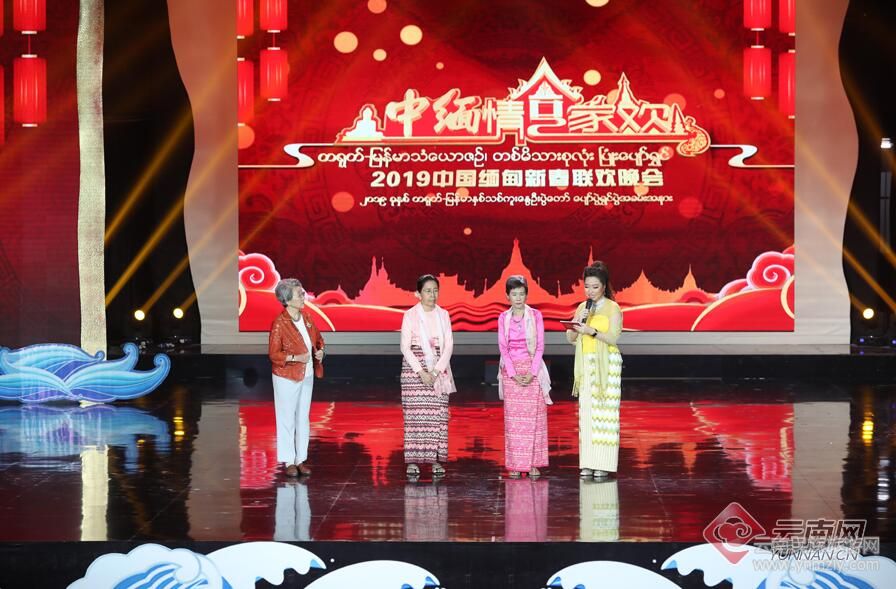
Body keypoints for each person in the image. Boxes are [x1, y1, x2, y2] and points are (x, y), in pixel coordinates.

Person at [565, 262, 623, 479]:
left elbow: (613, 338)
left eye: (595, 287)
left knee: (605, 415)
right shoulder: (583, 307)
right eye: (587, 286)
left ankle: (604, 464)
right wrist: (575, 325)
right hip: (586, 365)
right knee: (587, 415)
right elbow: (571, 338)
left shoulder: (612, 308)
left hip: (607, 364)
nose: (590, 291)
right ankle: (588, 463)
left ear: (604, 286)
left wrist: (592, 331)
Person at [399, 274, 456, 478]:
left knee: (437, 416)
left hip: (438, 369)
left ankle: (435, 460)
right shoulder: (410, 315)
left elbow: (448, 345)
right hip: (414, 370)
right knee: (415, 417)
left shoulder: (443, 314)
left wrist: (435, 371)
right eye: (427, 291)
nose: (432, 295)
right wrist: (421, 372)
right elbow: (405, 347)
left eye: (435, 291)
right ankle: (413, 460)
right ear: (418, 293)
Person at [268, 278, 325, 477]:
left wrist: (320, 352)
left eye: (303, 293)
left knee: (303, 418)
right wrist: (295, 358)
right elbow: (274, 354)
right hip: (287, 376)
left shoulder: (307, 317)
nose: (303, 297)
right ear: (287, 300)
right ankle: (288, 461)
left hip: (306, 374)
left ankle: (300, 459)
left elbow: (319, 340)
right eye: (299, 294)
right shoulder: (279, 324)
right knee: (286, 419)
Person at [497, 275, 552, 479]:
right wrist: (513, 374)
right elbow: (504, 349)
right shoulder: (503, 318)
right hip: (511, 373)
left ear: (526, 295)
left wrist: (532, 372)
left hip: (532, 370)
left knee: (534, 421)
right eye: (514, 294)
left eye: (522, 294)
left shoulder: (535, 315)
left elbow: (540, 347)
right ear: (508, 296)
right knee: (514, 423)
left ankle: (533, 464)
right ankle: (515, 464)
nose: (518, 298)